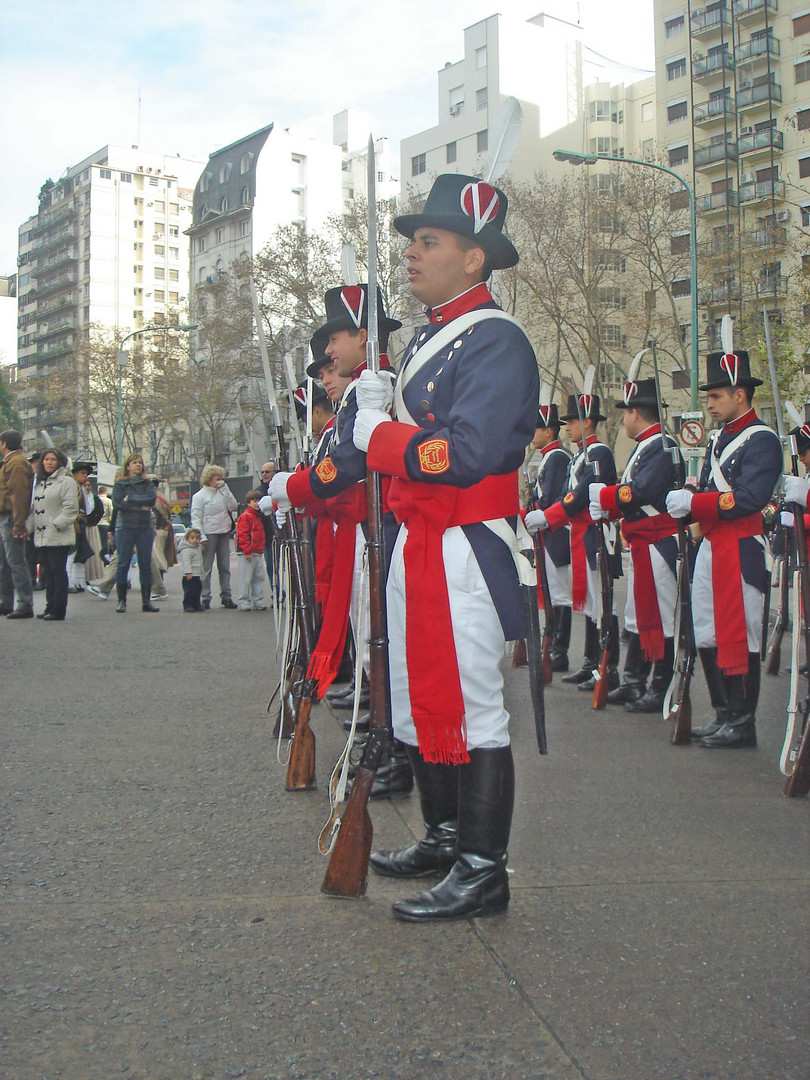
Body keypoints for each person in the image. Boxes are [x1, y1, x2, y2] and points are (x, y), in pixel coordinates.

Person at [351, 173, 539, 920]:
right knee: (421, 690)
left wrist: (382, 436)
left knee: (476, 708)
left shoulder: (496, 337)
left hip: (465, 543)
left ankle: (483, 870)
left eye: (428, 241)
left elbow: (468, 451)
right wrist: (370, 410)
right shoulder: (433, 336)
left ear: (473, 259)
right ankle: (445, 835)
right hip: (420, 539)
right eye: (412, 242)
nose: (411, 254)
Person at [266, 288, 412, 799]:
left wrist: (295, 487)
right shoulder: (365, 390)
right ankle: (383, 741)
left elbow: (345, 466)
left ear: (363, 337)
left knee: (383, 641)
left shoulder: (378, 387)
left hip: (381, 533)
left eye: (335, 338)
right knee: (373, 641)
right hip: (363, 533)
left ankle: (391, 751)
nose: (327, 353)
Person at [666, 345, 782, 748]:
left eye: (716, 396)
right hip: (712, 547)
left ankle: (742, 722)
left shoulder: (762, 440)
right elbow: (708, 488)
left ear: (740, 395)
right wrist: (687, 494)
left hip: (741, 548)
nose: (709, 404)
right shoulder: (718, 440)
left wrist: (694, 503)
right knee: (707, 632)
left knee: (742, 634)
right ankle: (723, 713)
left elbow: (749, 498)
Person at [588, 370, 682, 713]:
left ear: (636, 413)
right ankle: (633, 682)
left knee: (661, 617)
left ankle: (660, 687)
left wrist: (608, 496)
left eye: (626, 412)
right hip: (642, 541)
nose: (624, 418)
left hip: (659, 542)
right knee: (638, 614)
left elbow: (640, 492)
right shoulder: (646, 447)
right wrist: (609, 509)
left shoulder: (662, 446)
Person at [528, 389, 621, 691]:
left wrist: (550, 514)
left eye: (572, 422)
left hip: (593, 533)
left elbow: (580, 493)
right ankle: (591, 662)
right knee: (592, 605)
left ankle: (606, 666)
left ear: (588, 422)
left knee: (602, 606)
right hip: (580, 534)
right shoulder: (581, 456)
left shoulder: (599, 453)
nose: (568, 427)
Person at [526, 396, 572, 671]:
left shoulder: (556, 458)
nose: (532, 434)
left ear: (548, 431)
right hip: (547, 533)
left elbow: (553, 499)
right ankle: (553, 645)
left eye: (536, 429)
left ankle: (558, 650)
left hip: (556, 534)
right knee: (552, 592)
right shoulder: (548, 457)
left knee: (559, 593)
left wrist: (538, 512)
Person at [30, 447, 79, 621]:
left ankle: (59, 610)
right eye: (46, 459)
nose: (49, 462)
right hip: (42, 536)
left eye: (53, 459)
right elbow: (35, 509)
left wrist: (56, 525)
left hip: (58, 534)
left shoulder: (66, 481)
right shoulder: (40, 482)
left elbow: (70, 508)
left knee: (58, 571)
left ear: (59, 461)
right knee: (47, 573)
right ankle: (49, 606)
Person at [111, 452, 159, 613]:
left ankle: (146, 601)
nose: (138, 465)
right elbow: (118, 504)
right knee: (123, 563)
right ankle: (121, 601)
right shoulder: (120, 484)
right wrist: (139, 505)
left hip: (145, 526)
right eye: (134, 462)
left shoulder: (147, 483)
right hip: (125, 526)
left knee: (145, 564)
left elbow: (151, 500)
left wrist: (130, 499)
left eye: (140, 462)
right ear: (127, 466)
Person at [191, 465, 238, 610]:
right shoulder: (199, 496)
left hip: (223, 531)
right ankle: (205, 597)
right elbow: (196, 517)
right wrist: (201, 535)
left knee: (225, 566)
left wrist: (225, 490)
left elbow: (233, 506)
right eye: (217, 478)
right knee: (206, 567)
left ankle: (226, 596)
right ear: (209, 479)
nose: (219, 481)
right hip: (209, 533)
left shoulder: (222, 492)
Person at [0, 428, 35, 618]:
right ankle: (5, 602)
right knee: (4, 563)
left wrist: (19, 524)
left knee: (16, 562)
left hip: (11, 517)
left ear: (4, 444)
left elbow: (19, 495)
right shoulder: (11, 461)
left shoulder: (17, 463)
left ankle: (25, 603)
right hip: (6, 517)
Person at [235, 490, 267, 611]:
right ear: (248, 502)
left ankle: (257, 600)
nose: (257, 503)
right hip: (247, 552)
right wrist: (246, 551)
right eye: (254, 501)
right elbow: (242, 534)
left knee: (258, 577)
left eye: (258, 501)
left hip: (257, 551)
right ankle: (243, 600)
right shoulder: (246, 516)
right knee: (245, 577)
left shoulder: (256, 516)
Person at [177, 527, 204, 612]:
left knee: (197, 589)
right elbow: (186, 562)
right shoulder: (186, 550)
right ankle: (188, 605)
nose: (195, 540)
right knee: (189, 591)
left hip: (196, 574)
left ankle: (196, 604)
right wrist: (188, 572)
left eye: (197, 538)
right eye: (192, 538)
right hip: (189, 575)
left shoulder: (197, 548)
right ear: (187, 539)